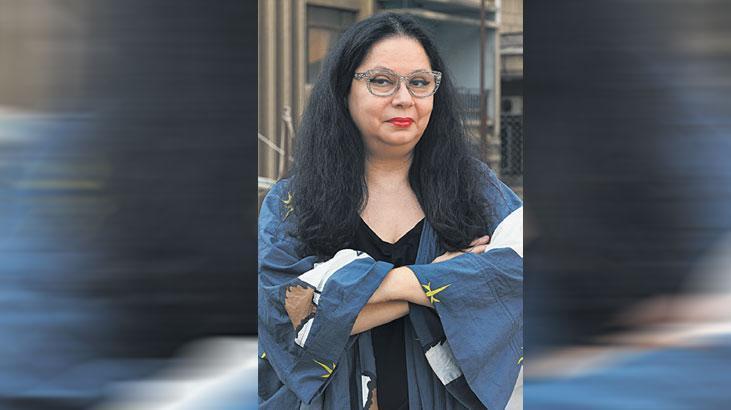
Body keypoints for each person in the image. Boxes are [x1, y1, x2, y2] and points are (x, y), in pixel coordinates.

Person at [258, 12, 523, 409]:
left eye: (419, 82)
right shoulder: (293, 202)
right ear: (344, 89)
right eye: (381, 81)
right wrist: (432, 283)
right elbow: (282, 317)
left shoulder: (475, 189)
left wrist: (347, 297)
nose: (404, 98)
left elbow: (521, 273)